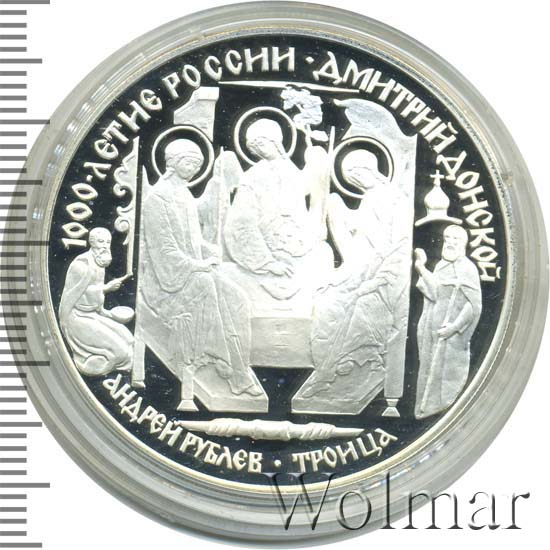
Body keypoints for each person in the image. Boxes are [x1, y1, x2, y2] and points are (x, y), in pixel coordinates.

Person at [140, 138, 262, 403]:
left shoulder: (184, 194)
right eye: (189, 162)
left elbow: (193, 242)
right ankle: (228, 368)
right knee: (207, 285)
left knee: (237, 298)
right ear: (173, 162)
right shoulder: (157, 199)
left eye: (197, 164)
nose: (194, 168)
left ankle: (240, 367)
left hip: (192, 271)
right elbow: (164, 252)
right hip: (165, 283)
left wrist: (209, 251)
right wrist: (199, 265)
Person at [303, 149, 403, 399]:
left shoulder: (392, 197)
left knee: (347, 304)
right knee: (325, 300)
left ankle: (340, 369)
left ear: (371, 169)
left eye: (358, 173)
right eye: (351, 177)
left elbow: (395, 245)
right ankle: (328, 369)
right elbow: (363, 232)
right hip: (361, 266)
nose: (356, 180)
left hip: (381, 273)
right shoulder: (370, 198)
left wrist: (372, 278)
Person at [224, 118, 332, 303]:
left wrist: (317, 162)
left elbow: (310, 193)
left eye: (262, 142)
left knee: (324, 255)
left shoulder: (291, 171)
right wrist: (267, 262)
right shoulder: (251, 177)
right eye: (253, 145)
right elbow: (241, 222)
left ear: (275, 140)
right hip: (267, 246)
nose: (258, 148)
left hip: (298, 243)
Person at [414, 224, 482, 418]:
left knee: (444, 376)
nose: (450, 243)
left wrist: (454, 327)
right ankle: (426, 409)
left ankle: (440, 407)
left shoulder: (468, 269)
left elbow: (473, 305)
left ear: (464, 244)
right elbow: (434, 292)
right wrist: (420, 267)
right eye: (447, 239)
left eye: (455, 239)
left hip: (450, 338)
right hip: (432, 333)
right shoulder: (441, 266)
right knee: (428, 371)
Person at [59, 227, 133, 376]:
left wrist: (107, 314)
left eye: (107, 242)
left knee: (130, 340)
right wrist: (106, 288)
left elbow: (95, 300)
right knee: (121, 352)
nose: (105, 246)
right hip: (78, 318)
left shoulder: (100, 262)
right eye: (101, 241)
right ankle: (89, 366)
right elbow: (78, 295)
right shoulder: (82, 265)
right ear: (92, 243)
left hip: (94, 315)